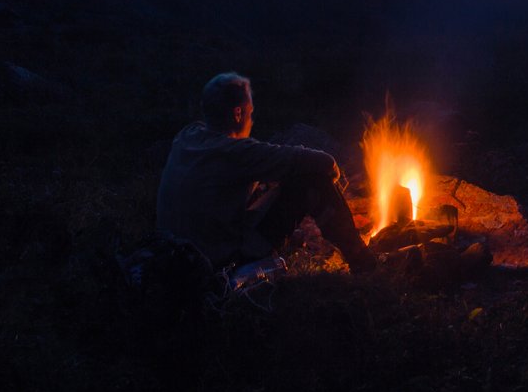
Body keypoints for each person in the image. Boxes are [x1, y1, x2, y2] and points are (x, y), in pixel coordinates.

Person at [156, 72, 372, 272]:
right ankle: (364, 263)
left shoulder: (187, 136)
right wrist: (333, 176)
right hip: (218, 264)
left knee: (269, 185)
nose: (252, 120)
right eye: (250, 112)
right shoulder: (238, 153)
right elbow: (324, 162)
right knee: (312, 181)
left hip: (172, 254)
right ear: (238, 113)